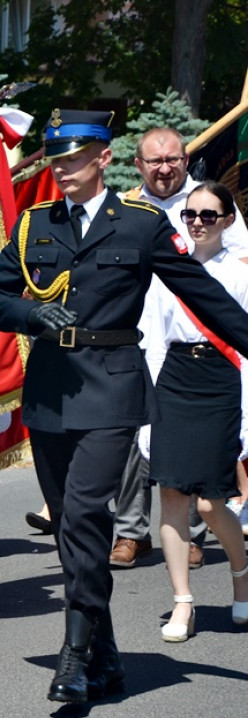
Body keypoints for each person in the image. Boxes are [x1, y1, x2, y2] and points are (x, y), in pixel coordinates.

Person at [0, 109, 248, 705]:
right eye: (55, 159)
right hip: (49, 391)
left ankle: (73, 655)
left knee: (81, 518)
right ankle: (108, 655)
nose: (62, 170)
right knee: (74, 530)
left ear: (102, 159)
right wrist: (30, 313)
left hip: (113, 389)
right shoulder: (33, 225)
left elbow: (204, 295)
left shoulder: (140, 225)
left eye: (73, 159)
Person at [109, 127, 248, 569]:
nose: (165, 167)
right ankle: (131, 531)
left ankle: (191, 535)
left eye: (173, 159)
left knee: (192, 441)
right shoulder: (126, 207)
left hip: (197, 337)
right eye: (155, 161)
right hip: (137, 331)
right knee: (134, 433)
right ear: (139, 166)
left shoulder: (207, 201)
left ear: (186, 160)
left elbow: (241, 258)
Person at [139, 181, 248, 640]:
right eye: (190, 215)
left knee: (210, 501)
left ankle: (241, 579)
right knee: (173, 498)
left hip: (223, 382)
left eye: (208, 215)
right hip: (177, 379)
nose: (198, 222)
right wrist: (149, 415)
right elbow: (155, 343)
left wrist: (246, 415)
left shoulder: (242, 274)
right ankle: (182, 603)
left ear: (227, 220)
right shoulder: (167, 271)